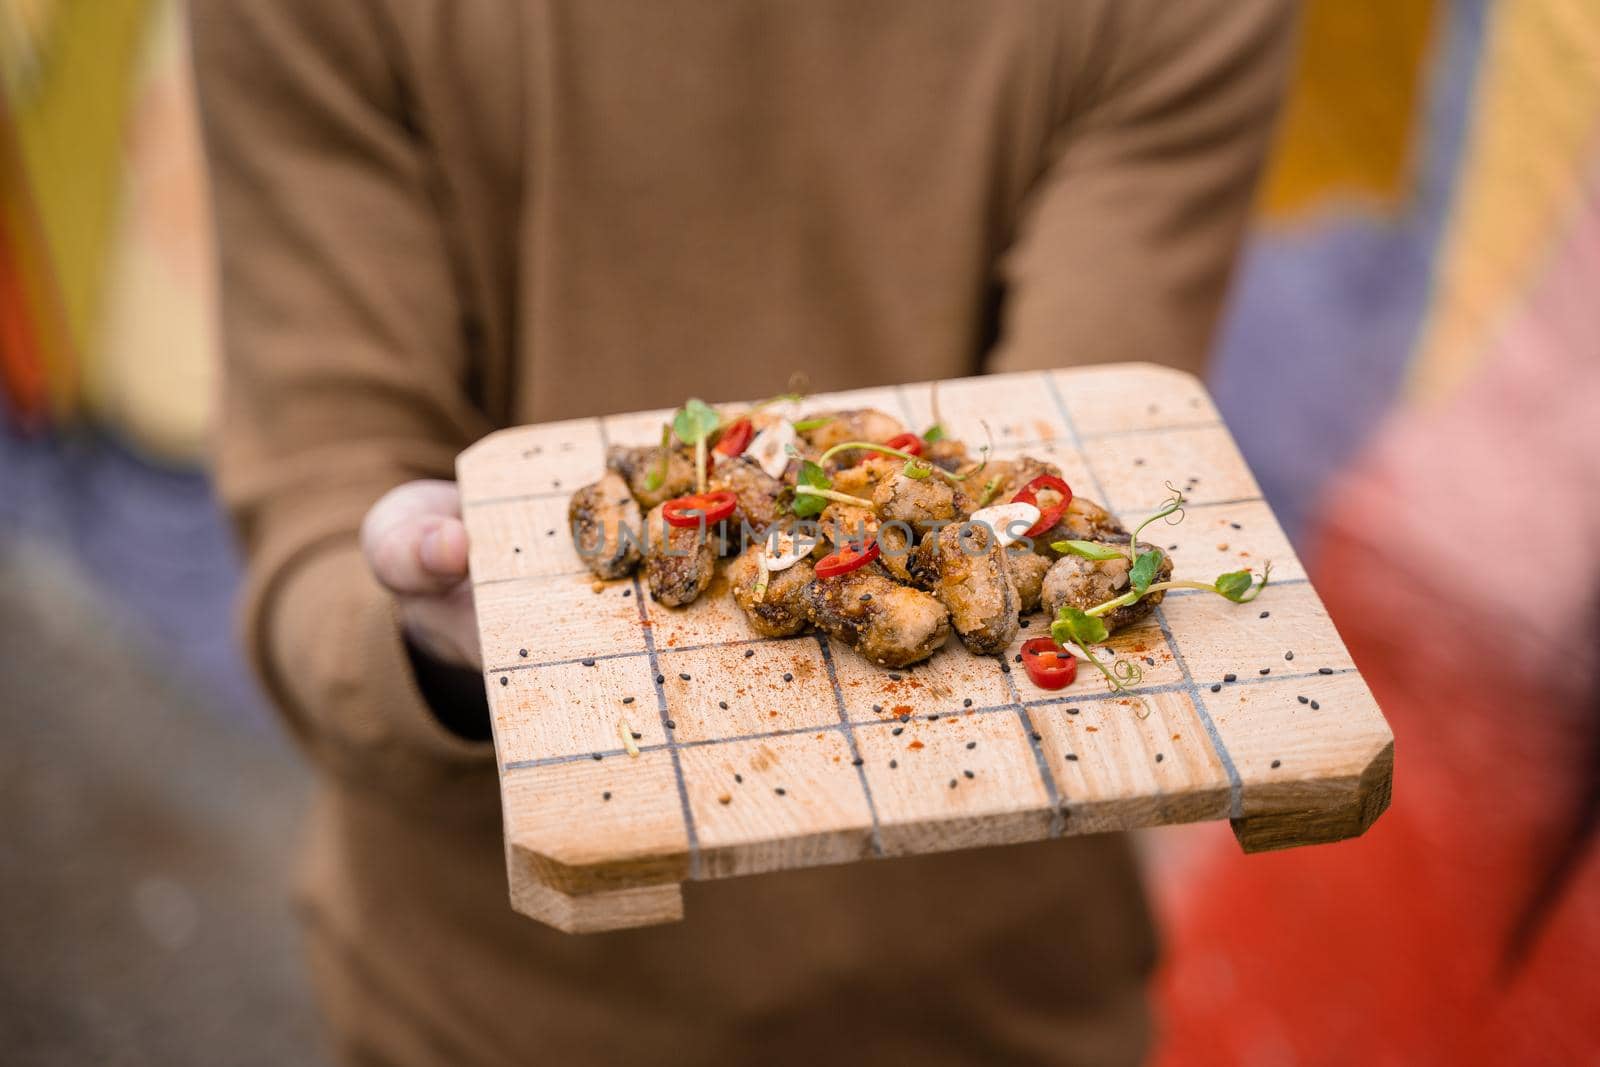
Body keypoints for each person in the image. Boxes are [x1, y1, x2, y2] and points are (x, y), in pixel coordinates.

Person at [191, 2, 1294, 1063]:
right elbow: (321, 520)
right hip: (499, 1009)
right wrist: (430, 645)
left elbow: (1059, 466)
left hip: (983, 1011)